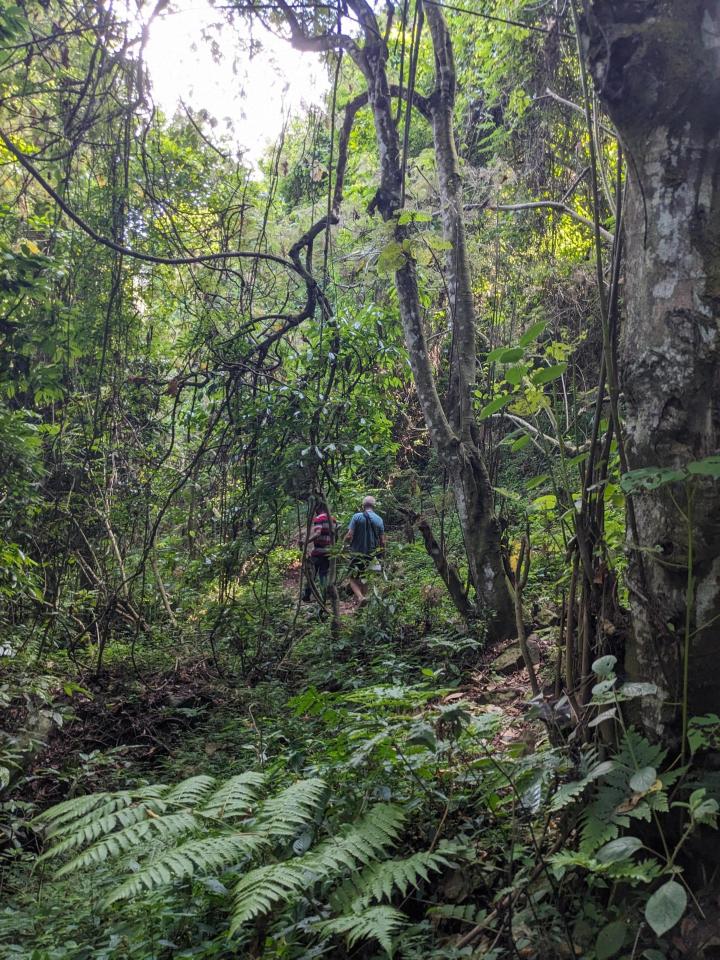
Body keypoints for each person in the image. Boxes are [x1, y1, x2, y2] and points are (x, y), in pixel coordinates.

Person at [344, 495, 385, 603]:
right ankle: (363, 603)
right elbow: (382, 541)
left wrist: (343, 545)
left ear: (363, 505)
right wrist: (382, 555)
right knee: (365, 578)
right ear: (374, 506)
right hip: (372, 554)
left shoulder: (357, 517)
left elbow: (349, 535)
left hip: (357, 553)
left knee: (352, 578)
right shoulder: (379, 520)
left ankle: (360, 597)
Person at [302, 509, 335, 602]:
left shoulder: (319, 519)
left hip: (318, 552)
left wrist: (306, 542)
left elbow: (317, 533)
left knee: (311, 573)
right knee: (323, 575)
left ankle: (307, 595)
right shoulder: (333, 519)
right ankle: (323, 597)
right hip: (328, 552)